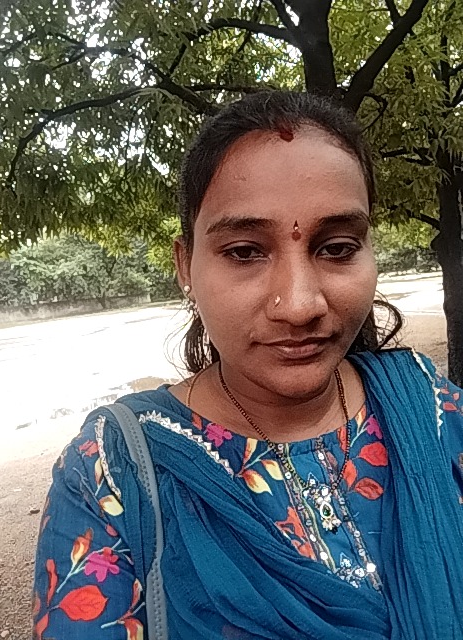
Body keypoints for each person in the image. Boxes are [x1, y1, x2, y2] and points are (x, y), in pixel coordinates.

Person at [33, 91, 463, 640]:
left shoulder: (435, 413)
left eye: (337, 247)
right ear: (186, 265)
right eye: (244, 251)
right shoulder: (111, 475)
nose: (300, 305)